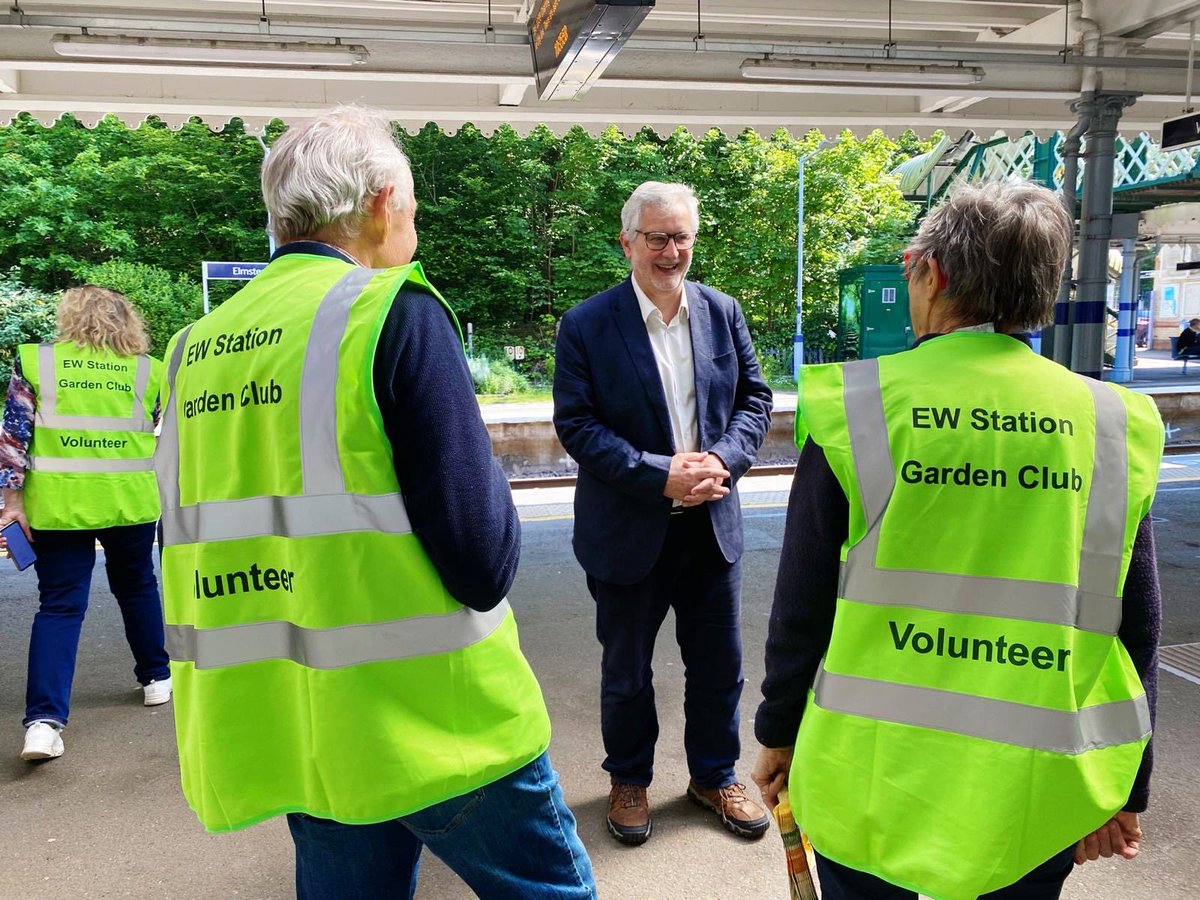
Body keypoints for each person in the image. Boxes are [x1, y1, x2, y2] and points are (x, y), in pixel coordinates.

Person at [154, 107, 595, 900]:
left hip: (300, 725)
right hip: (438, 722)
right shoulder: (391, 310)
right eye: (416, 210)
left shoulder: (196, 349)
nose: (415, 229)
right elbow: (482, 559)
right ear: (383, 199)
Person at [752, 181, 1163, 899]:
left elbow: (802, 604)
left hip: (872, 772)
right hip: (1035, 785)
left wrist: (779, 728)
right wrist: (1128, 786)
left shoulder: (863, 405)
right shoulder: (1111, 421)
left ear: (931, 274)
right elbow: (1137, 624)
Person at [553, 180, 774, 846]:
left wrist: (723, 461)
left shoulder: (722, 312)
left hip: (711, 529)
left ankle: (713, 776)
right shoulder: (587, 324)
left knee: (720, 667)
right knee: (626, 673)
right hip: (627, 532)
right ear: (628, 242)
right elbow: (577, 424)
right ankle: (629, 779)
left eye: (682, 237)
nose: (672, 251)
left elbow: (755, 400)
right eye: (658, 238)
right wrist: (660, 476)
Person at [0, 286, 171, 762]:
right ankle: (156, 678)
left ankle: (43, 723)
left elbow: (14, 437)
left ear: (70, 317)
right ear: (128, 320)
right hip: (129, 503)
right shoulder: (149, 371)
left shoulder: (37, 362)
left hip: (59, 506)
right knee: (137, 587)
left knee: (58, 607)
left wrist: (10, 501)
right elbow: (159, 432)